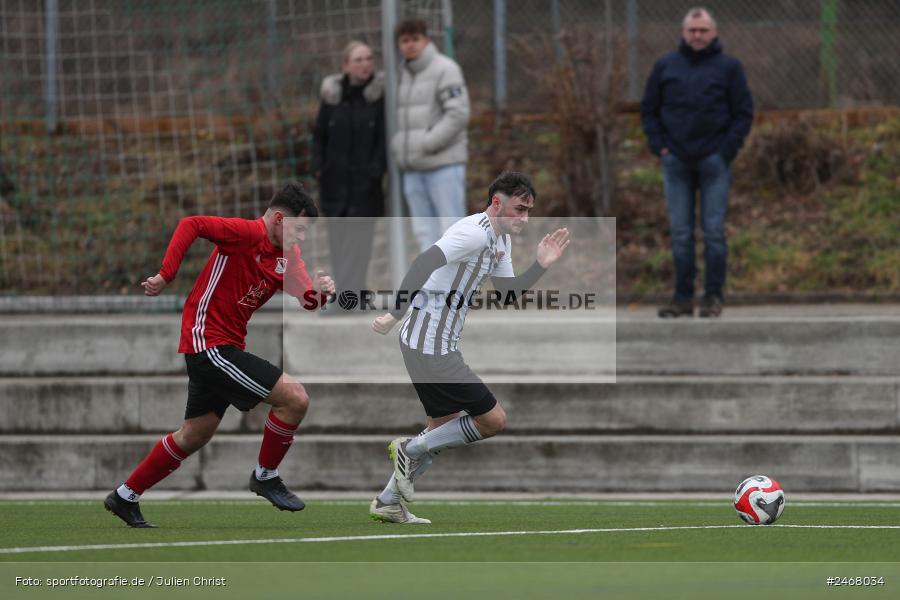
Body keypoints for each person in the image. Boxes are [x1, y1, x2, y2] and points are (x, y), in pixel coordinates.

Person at [104, 182, 335, 528]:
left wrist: (320, 293)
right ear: (276, 219)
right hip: (208, 344)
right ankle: (266, 475)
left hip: (222, 348)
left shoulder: (288, 257)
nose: (301, 238)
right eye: (299, 230)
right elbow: (191, 224)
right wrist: (166, 275)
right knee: (294, 399)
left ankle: (124, 495)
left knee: (194, 433)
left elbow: (307, 301)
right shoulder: (243, 233)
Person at [368, 172, 570, 524]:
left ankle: (388, 500)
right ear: (497, 203)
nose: (524, 218)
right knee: (493, 420)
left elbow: (507, 294)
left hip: (433, 343)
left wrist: (540, 265)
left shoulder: (500, 241)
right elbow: (424, 262)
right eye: (519, 210)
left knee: (440, 430)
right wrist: (393, 314)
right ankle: (406, 448)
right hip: (429, 344)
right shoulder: (473, 232)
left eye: (528, 212)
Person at [640, 7, 753, 318]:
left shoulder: (729, 68)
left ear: (714, 33)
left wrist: (726, 151)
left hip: (714, 162)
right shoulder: (666, 66)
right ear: (683, 32)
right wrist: (659, 146)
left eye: (703, 30)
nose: (697, 35)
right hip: (675, 161)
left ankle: (713, 297)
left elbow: (743, 113)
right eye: (692, 30)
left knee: (713, 232)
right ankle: (682, 299)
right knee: (680, 233)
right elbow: (649, 110)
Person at [312, 40, 386, 315]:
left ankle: (347, 300)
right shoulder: (333, 97)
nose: (365, 64)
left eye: (369, 58)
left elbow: (383, 139)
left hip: (365, 186)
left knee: (358, 245)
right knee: (338, 243)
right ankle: (348, 298)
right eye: (358, 59)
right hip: (335, 185)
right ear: (345, 65)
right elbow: (319, 135)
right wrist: (319, 167)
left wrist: (375, 170)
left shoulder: (378, 98)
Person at [392, 17, 470, 252]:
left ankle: (460, 289)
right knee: (425, 234)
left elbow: (458, 114)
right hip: (413, 170)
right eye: (404, 40)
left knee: (452, 231)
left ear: (426, 40)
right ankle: (434, 287)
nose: (410, 45)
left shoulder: (446, 69)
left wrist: (427, 143)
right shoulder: (400, 75)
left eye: (415, 39)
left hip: (443, 166)